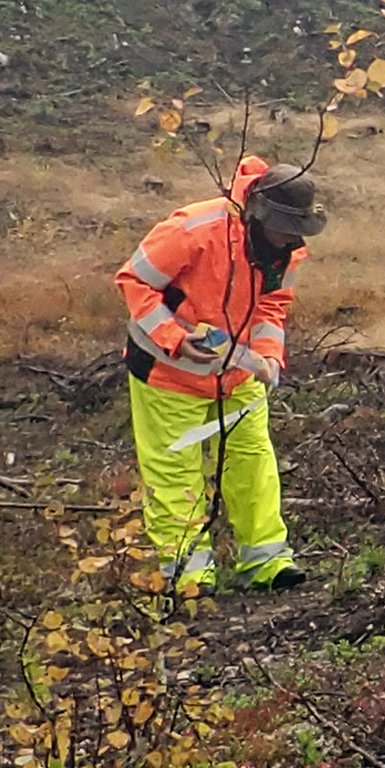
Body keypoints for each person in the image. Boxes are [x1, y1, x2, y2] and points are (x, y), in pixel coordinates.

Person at [115, 155, 323, 595]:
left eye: (297, 230)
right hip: (166, 371)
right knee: (175, 471)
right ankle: (190, 576)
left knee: (252, 461)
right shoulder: (193, 229)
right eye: (286, 229)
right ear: (258, 216)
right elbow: (134, 281)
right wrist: (172, 336)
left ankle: (266, 560)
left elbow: (272, 306)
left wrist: (267, 356)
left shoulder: (289, 247)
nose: (292, 240)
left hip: (238, 373)